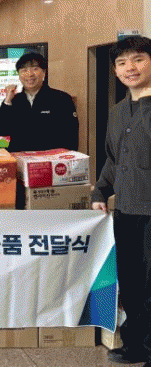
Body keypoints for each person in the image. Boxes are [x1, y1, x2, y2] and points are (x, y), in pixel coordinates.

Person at [92, 36, 151, 367]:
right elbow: (113, 159)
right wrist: (100, 191)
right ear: (115, 71)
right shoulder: (117, 112)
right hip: (126, 209)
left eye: (139, 59)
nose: (131, 67)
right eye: (122, 62)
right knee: (131, 282)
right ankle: (136, 344)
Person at [0, 52, 78, 152]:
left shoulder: (61, 98)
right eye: (24, 70)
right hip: (20, 159)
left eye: (35, 69)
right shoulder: (14, 101)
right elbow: (1, 130)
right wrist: (7, 101)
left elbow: (71, 135)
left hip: (50, 159)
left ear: (44, 72)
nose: (29, 74)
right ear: (19, 75)